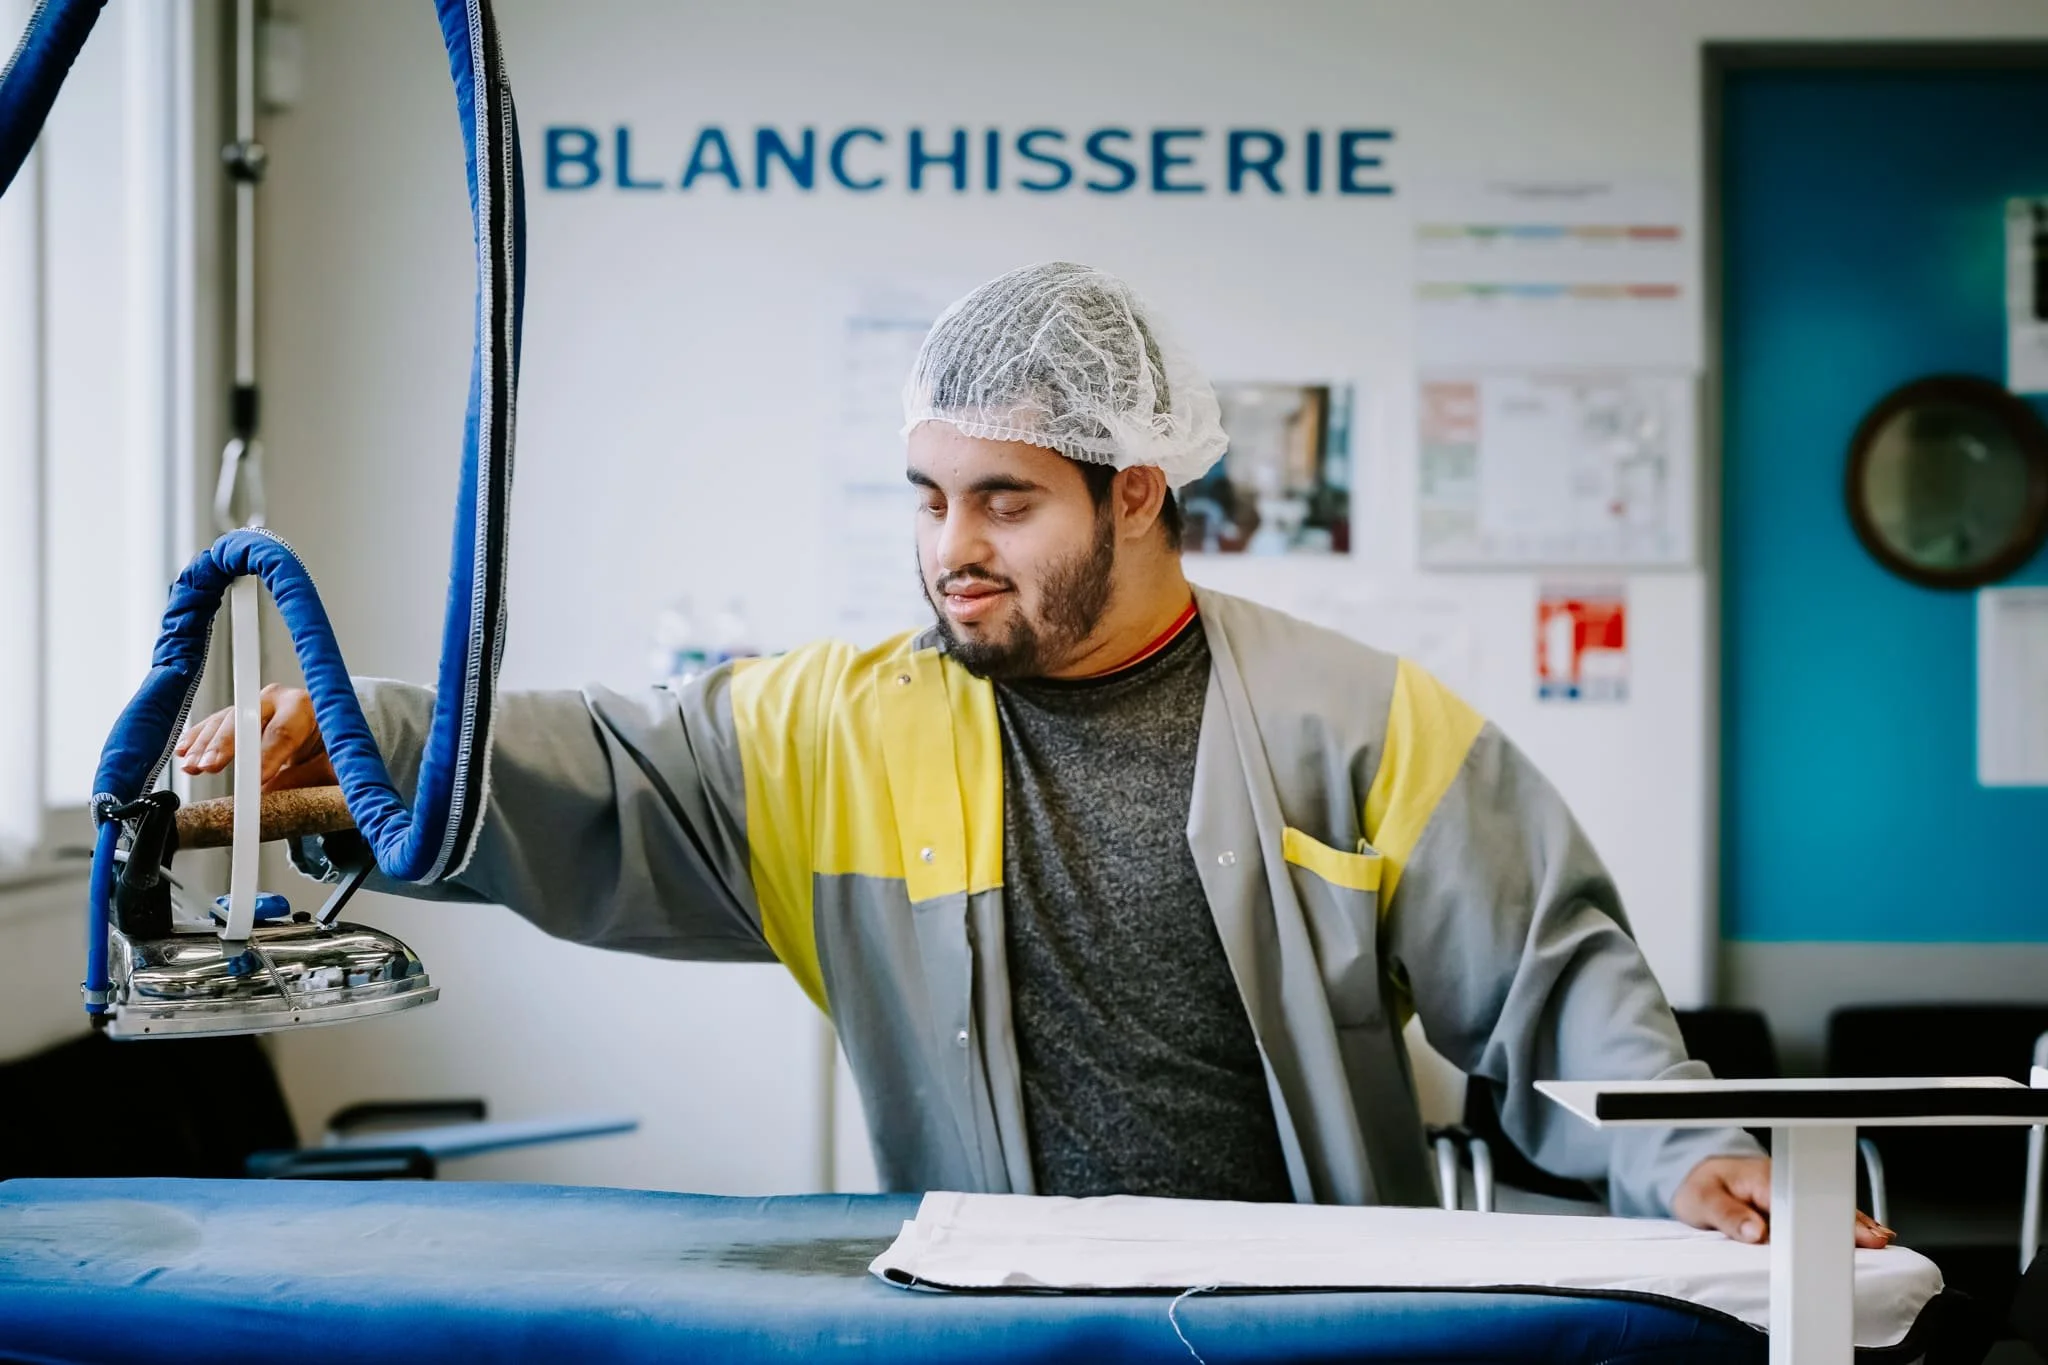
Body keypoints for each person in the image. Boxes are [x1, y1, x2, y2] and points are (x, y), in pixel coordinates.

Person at [179, 261, 1887, 1245]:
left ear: (1136, 490)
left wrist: (1694, 1159)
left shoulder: (1364, 724)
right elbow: (590, 771)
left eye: (1005, 500)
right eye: (929, 498)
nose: (953, 550)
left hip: (1313, 1321)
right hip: (991, 1322)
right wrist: (361, 733)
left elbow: (1557, 991)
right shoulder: (829, 725)